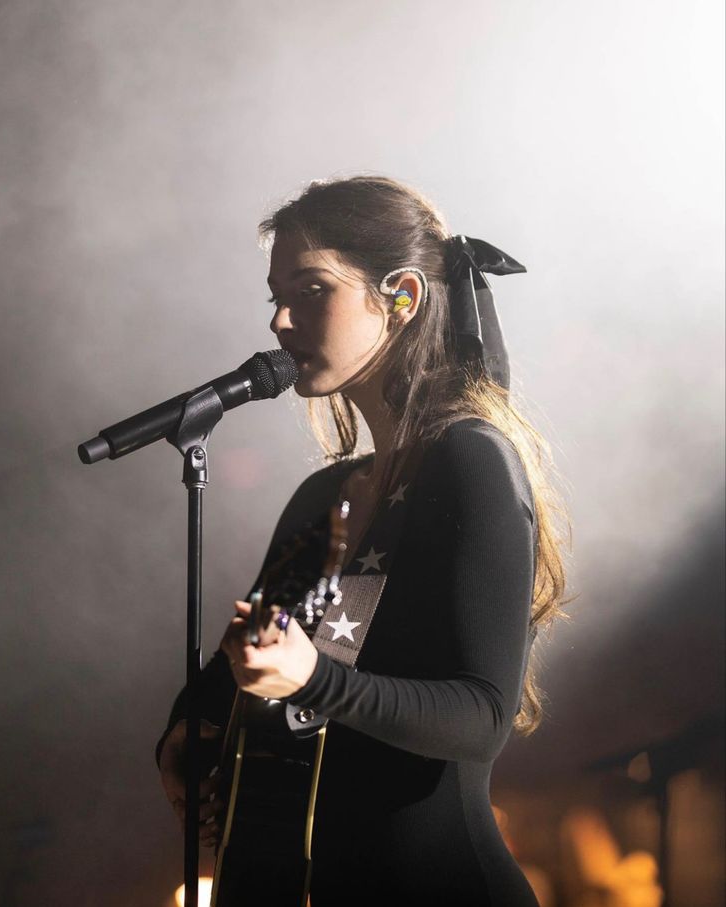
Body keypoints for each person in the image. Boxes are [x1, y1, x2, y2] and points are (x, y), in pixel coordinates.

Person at [157, 175, 568, 907]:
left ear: (401, 298)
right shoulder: (322, 496)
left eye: (311, 289)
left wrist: (314, 679)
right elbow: (243, 660)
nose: (280, 320)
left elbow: (479, 718)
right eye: (274, 296)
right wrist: (189, 727)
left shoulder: (469, 460)